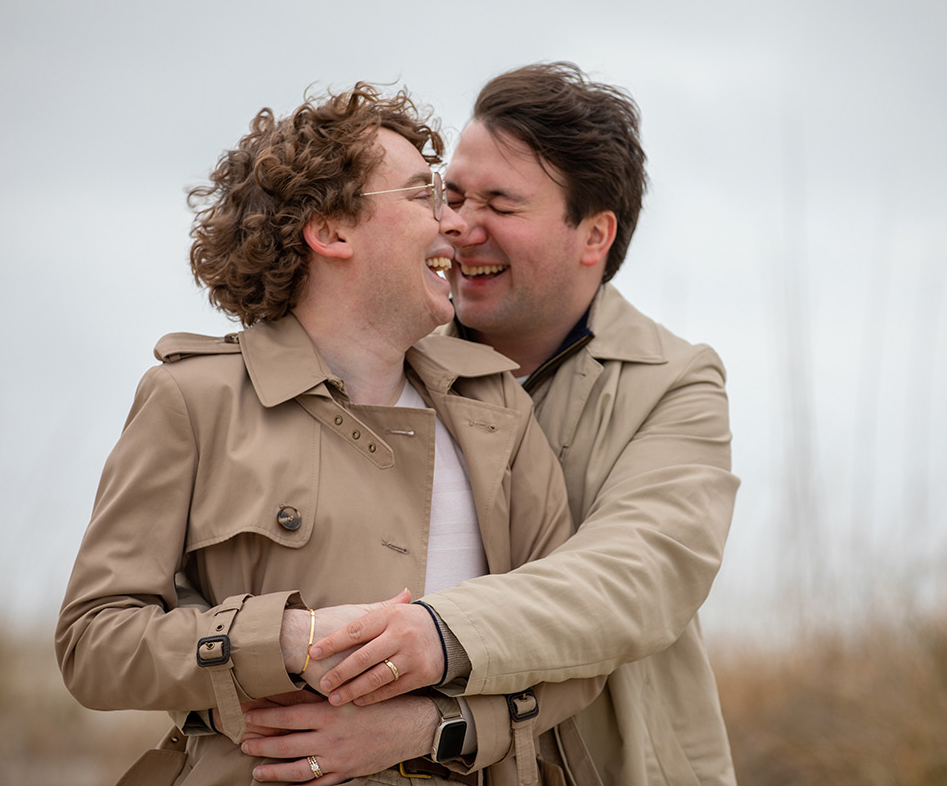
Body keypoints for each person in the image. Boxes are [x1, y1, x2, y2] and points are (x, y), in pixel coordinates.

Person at [54, 83, 592, 786]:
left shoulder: (496, 407)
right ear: (332, 232)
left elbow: (572, 646)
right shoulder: (192, 399)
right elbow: (94, 644)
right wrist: (280, 641)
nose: (454, 224)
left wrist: (432, 728)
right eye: (423, 196)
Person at [246, 63, 740, 785]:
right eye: (452, 196)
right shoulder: (379, 362)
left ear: (594, 234)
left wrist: (438, 646)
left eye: (501, 205)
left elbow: (634, 578)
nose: (458, 227)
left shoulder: (676, 381)